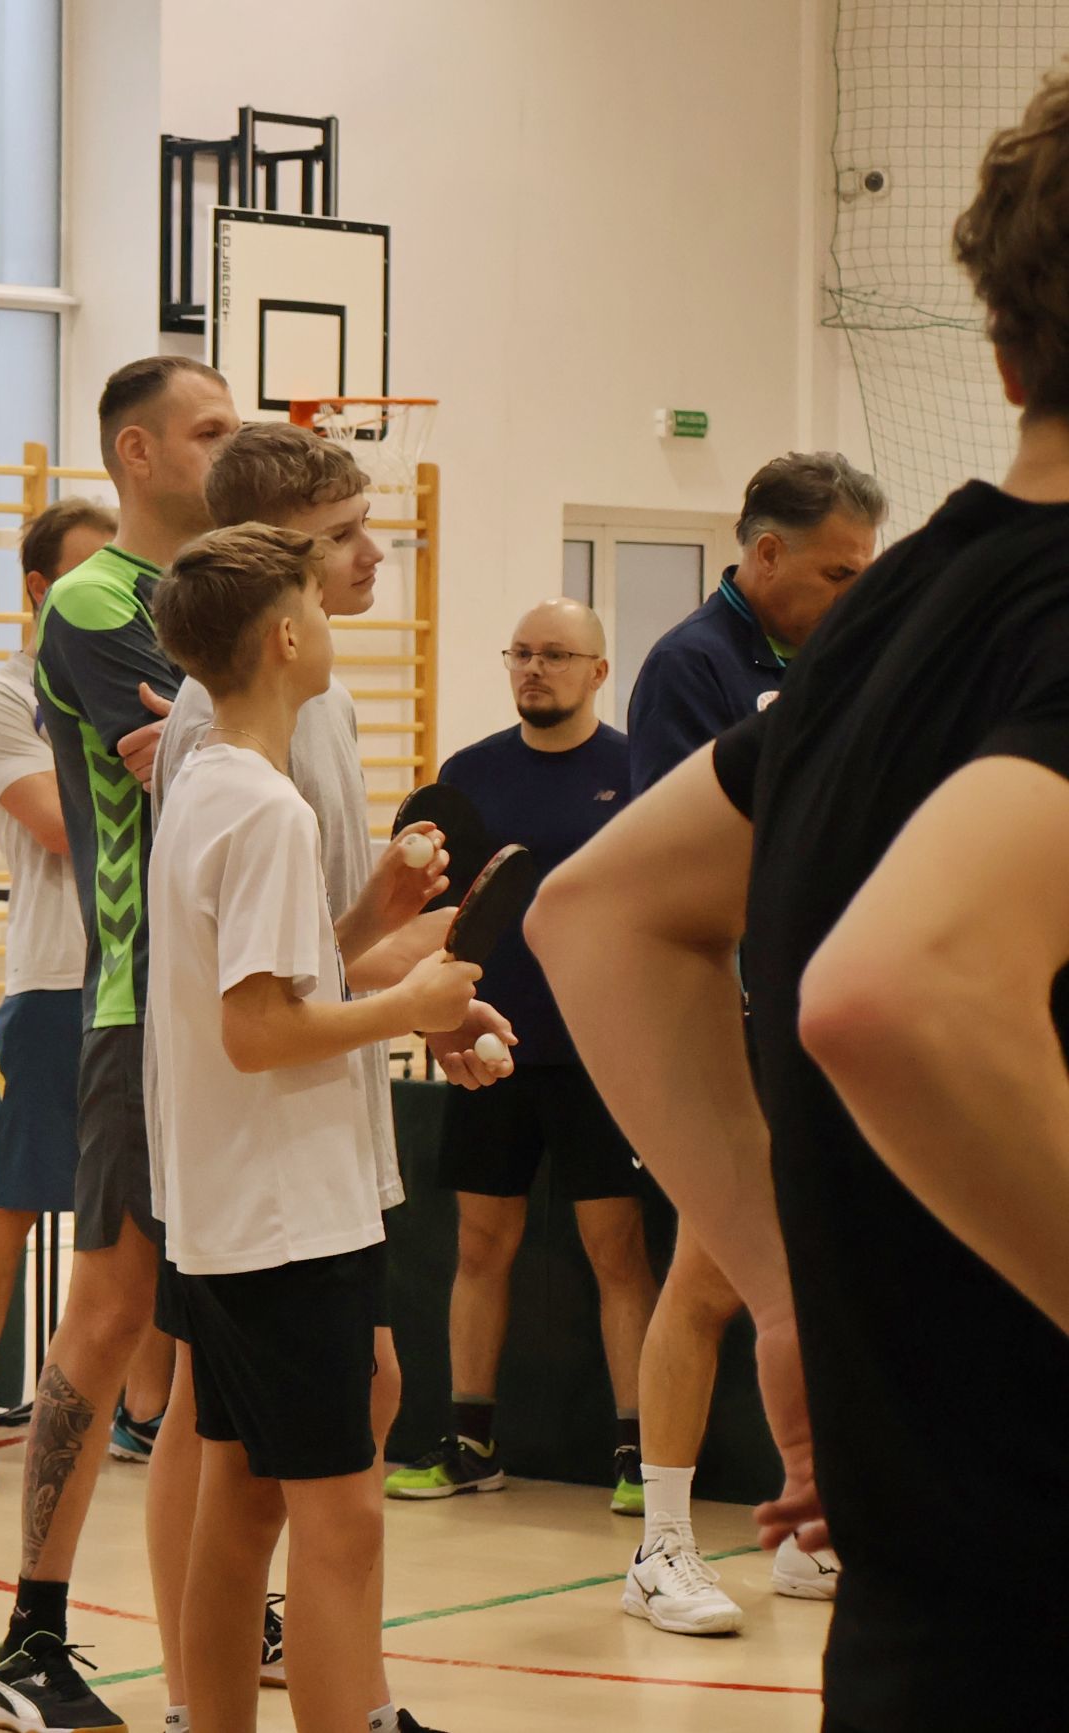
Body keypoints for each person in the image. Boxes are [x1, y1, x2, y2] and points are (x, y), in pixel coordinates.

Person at [530, 68, 1069, 1727]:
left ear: (1001, 358)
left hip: (925, 1622)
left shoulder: (887, 619)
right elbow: (896, 990)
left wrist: (790, 1293)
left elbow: (597, 915)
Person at [144, 423, 514, 1719]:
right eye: (330, 555)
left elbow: (272, 971)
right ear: (284, 623)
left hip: (255, 1200)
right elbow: (256, 1027)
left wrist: (371, 921)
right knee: (335, 1517)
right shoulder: (251, 794)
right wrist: (409, 1002)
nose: (363, 564)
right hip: (281, 1206)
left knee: (243, 1502)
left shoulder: (232, 777)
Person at [0, 355, 233, 1733]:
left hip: (240, 1002)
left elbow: (234, 753)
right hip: (136, 1004)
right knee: (113, 1311)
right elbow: (218, 761)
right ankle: (29, 1634)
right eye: (208, 429)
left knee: (221, 1327)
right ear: (136, 451)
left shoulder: (231, 592)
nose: (230, 448)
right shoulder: (97, 600)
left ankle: (217, 1603)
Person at [615, 449, 883, 1633]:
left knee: (807, 1267)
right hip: (714, 1014)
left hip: (804, 1004)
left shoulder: (829, 654)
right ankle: (659, 1543)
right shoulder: (692, 665)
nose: (852, 591)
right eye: (837, 571)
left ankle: (805, 1531)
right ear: (763, 553)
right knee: (708, 1273)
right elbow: (685, 850)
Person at [382, 601, 657, 1512]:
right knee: (480, 1244)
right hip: (488, 1044)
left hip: (600, 1049)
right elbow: (437, 915)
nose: (535, 668)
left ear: (598, 671)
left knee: (616, 1249)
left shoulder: (637, 770)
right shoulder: (469, 775)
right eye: (523, 653)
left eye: (557, 654)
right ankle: (470, 1443)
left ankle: (639, 1451)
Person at [0, 497, 114, 1493]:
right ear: (40, 589)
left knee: (141, 1217)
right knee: (9, 1203)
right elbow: (59, 825)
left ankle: (134, 1410)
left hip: (143, 980)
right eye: (88, 575)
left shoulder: (150, 685)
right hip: (52, 982)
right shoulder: (2, 700)